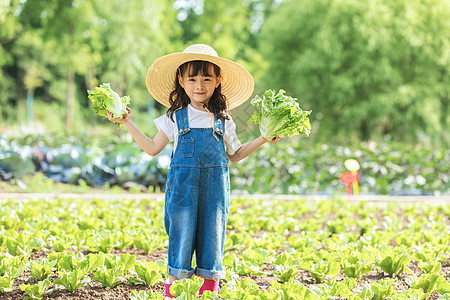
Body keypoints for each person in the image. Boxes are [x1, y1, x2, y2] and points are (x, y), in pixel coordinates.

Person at [108, 44, 280, 298]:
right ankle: (173, 293)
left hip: (215, 194)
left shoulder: (224, 118)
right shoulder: (176, 117)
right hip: (183, 194)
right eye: (192, 79)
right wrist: (128, 122)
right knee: (181, 240)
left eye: (206, 79)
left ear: (217, 80)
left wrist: (264, 138)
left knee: (212, 242)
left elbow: (235, 155)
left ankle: (208, 292)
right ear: (181, 80)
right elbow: (153, 148)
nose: (199, 85)